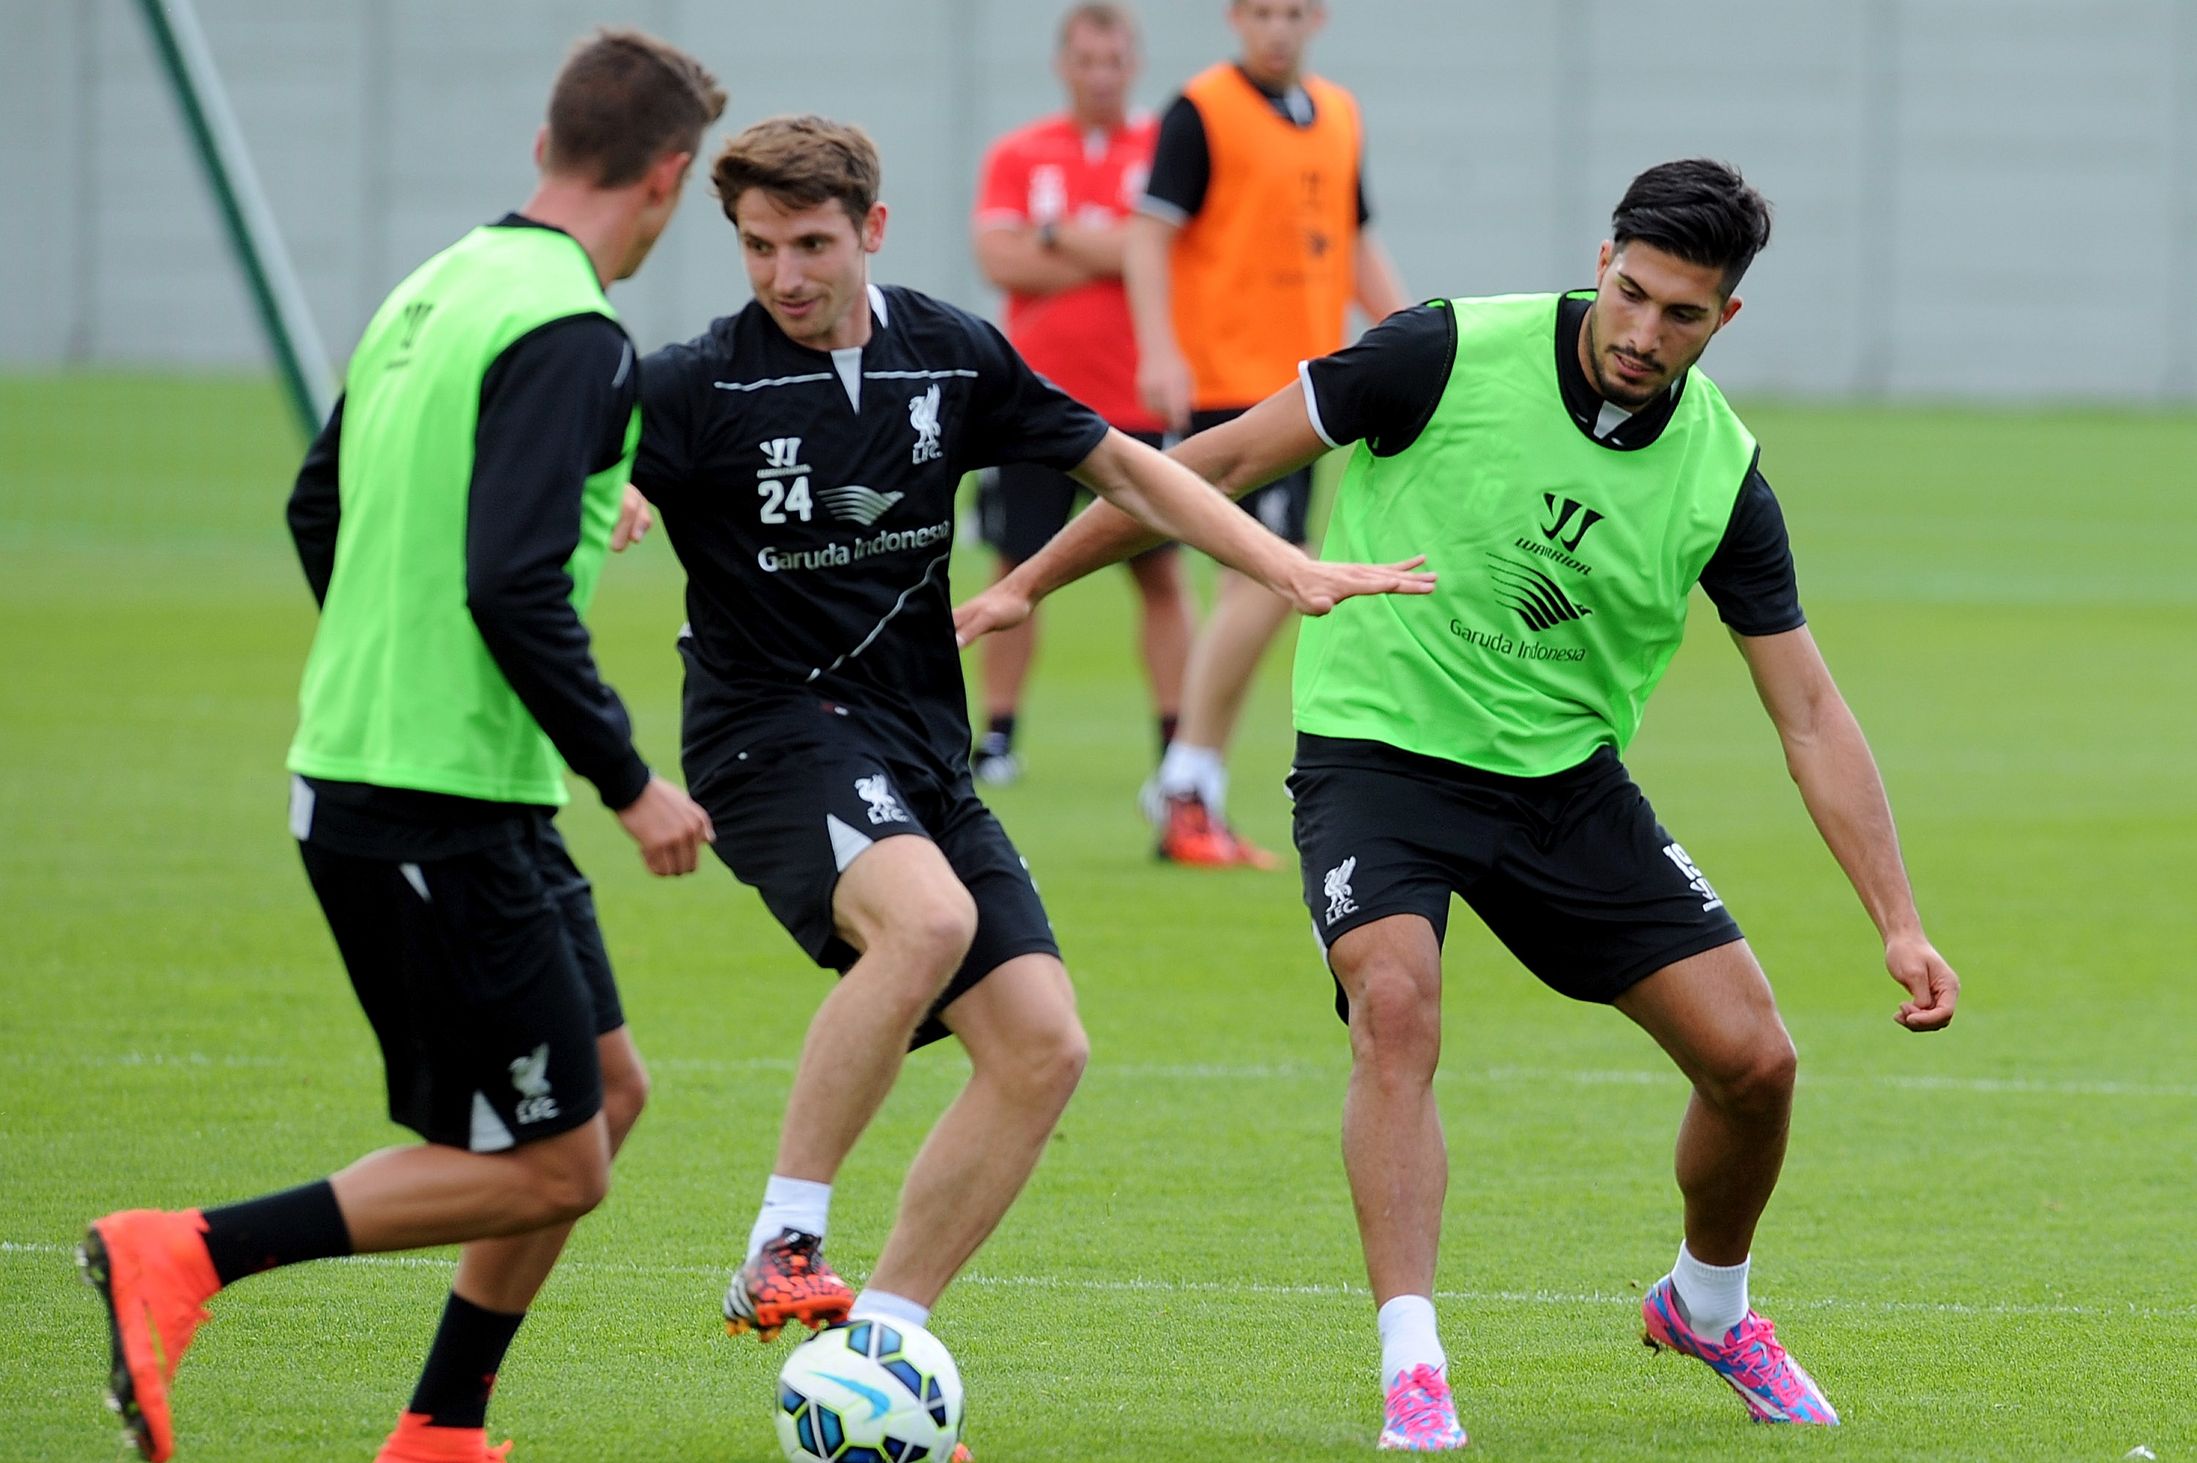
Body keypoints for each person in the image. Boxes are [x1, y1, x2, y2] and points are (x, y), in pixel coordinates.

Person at [956, 159, 1962, 1451]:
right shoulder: (1439, 351)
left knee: (1754, 1061)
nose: (1643, 333)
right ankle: (1414, 1365)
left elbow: (1808, 710)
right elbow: (1213, 459)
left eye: (1681, 315)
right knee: (1395, 1004)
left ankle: (1706, 1305)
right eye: (1631, 293)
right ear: (1600, 262)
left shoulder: (1719, 472)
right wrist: (1027, 583)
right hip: (1377, 758)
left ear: (1726, 318)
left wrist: (1897, 918)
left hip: (1561, 784)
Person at [627, 115, 1429, 1377]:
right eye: (758, 246)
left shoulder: (947, 353)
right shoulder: (694, 385)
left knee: (1042, 1047)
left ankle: (881, 1347)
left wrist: (1283, 565)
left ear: (872, 229)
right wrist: (613, 489)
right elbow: (571, 474)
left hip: (915, 743)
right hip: (766, 734)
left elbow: (1130, 470)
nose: (785, 274)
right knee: (929, 923)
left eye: (812, 243)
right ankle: (784, 1237)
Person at [78, 31, 722, 1463]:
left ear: (548, 146)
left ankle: (442, 1425)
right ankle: (184, 1250)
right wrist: (631, 781)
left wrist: (399, 655)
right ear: (668, 178)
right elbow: (507, 582)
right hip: (428, 800)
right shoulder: (574, 332)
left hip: (440, 777)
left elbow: (322, 506)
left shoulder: (435, 286)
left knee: (608, 1095)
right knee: (551, 1164)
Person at [1128, 0, 1406, 866]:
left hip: (1308, 391)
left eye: (1291, 12)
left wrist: (1415, 339)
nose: (1276, 28)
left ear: (1315, 17)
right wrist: (1159, 349)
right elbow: (1147, 236)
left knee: (1261, 581)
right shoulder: (1202, 109)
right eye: (1260, 12)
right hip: (1229, 385)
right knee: (1268, 578)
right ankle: (1185, 781)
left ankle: (1190, 785)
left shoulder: (1340, 112)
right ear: (1234, 17)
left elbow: (1352, 242)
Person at [967, 2, 1191, 787]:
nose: (1100, 75)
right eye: (1086, 60)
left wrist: (1056, 235)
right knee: (1016, 566)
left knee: (1160, 573)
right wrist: (1118, 250)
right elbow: (999, 261)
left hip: (1138, 399)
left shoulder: (1163, 149)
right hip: (1031, 401)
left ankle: (1175, 744)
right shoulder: (1019, 152)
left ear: (1134, 64)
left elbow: (1173, 254)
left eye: (1114, 60)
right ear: (1062, 65)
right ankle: (998, 736)